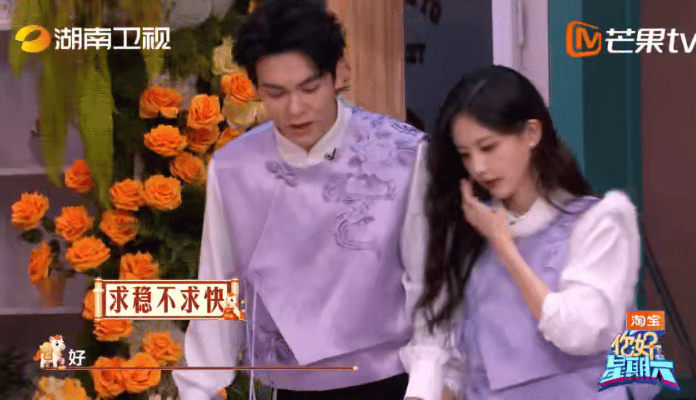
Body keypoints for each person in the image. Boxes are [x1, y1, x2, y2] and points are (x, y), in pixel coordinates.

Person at [173, 1, 431, 399]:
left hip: (392, 384)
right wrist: (198, 390)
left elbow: (430, 290)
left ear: (339, 74)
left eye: (309, 89)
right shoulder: (234, 168)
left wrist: (426, 389)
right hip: (287, 387)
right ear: (255, 88)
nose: (295, 109)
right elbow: (218, 288)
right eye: (275, 93)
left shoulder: (404, 154)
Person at [399, 65, 659, 399]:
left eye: (488, 147)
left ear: (532, 133)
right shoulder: (471, 236)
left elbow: (579, 333)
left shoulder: (600, 222)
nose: (478, 167)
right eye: (465, 155)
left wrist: (506, 248)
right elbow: (458, 362)